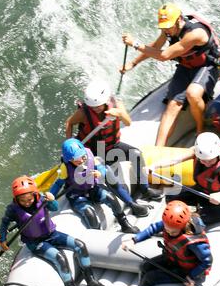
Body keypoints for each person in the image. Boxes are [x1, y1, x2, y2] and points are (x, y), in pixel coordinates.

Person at [121, 3, 220, 145]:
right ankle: (158, 149)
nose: (166, 30)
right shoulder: (169, 29)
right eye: (163, 27)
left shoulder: (194, 34)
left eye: (168, 26)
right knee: (172, 105)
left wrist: (135, 43)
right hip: (186, 66)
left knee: (192, 94)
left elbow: (164, 55)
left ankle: (200, 127)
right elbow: (155, 47)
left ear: (179, 20)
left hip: (207, 66)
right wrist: (133, 63)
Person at [65, 78, 162, 217]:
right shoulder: (83, 113)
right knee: (108, 172)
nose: (96, 108)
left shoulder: (116, 104)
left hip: (112, 146)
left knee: (136, 154)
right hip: (92, 151)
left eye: (98, 105)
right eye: (93, 106)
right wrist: (70, 145)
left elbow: (128, 122)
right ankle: (132, 204)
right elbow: (69, 123)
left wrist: (120, 113)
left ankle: (145, 189)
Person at [0, 175, 106, 286]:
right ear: (16, 199)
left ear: (35, 194)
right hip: (35, 243)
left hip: (52, 234)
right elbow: (4, 224)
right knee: (60, 258)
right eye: (22, 201)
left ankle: (91, 280)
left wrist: (52, 200)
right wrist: (2, 239)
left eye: (29, 200)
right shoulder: (13, 209)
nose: (27, 203)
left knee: (80, 245)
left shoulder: (42, 199)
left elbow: (54, 208)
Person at [148, 132, 220, 225]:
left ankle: (197, 215)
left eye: (210, 160)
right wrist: (155, 166)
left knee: (192, 223)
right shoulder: (195, 152)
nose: (206, 163)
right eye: (203, 160)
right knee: (171, 197)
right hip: (205, 193)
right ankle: (195, 210)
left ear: (218, 154)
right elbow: (175, 159)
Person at [49, 138, 139, 234]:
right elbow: (58, 184)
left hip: (93, 189)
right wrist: (51, 195)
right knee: (90, 214)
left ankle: (124, 224)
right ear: (69, 160)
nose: (81, 160)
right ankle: (98, 235)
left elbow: (102, 169)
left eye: (83, 157)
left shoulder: (90, 156)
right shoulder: (65, 168)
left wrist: (100, 173)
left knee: (111, 198)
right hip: (77, 195)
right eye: (77, 159)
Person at [121, 200, 212, 286]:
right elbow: (153, 229)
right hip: (173, 260)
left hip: (187, 271)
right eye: (167, 230)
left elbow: (207, 260)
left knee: (150, 277)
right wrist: (134, 240)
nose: (169, 233)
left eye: (173, 232)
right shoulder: (169, 223)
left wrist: (191, 276)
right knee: (145, 265)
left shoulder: (194, 242)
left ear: (183, 226)